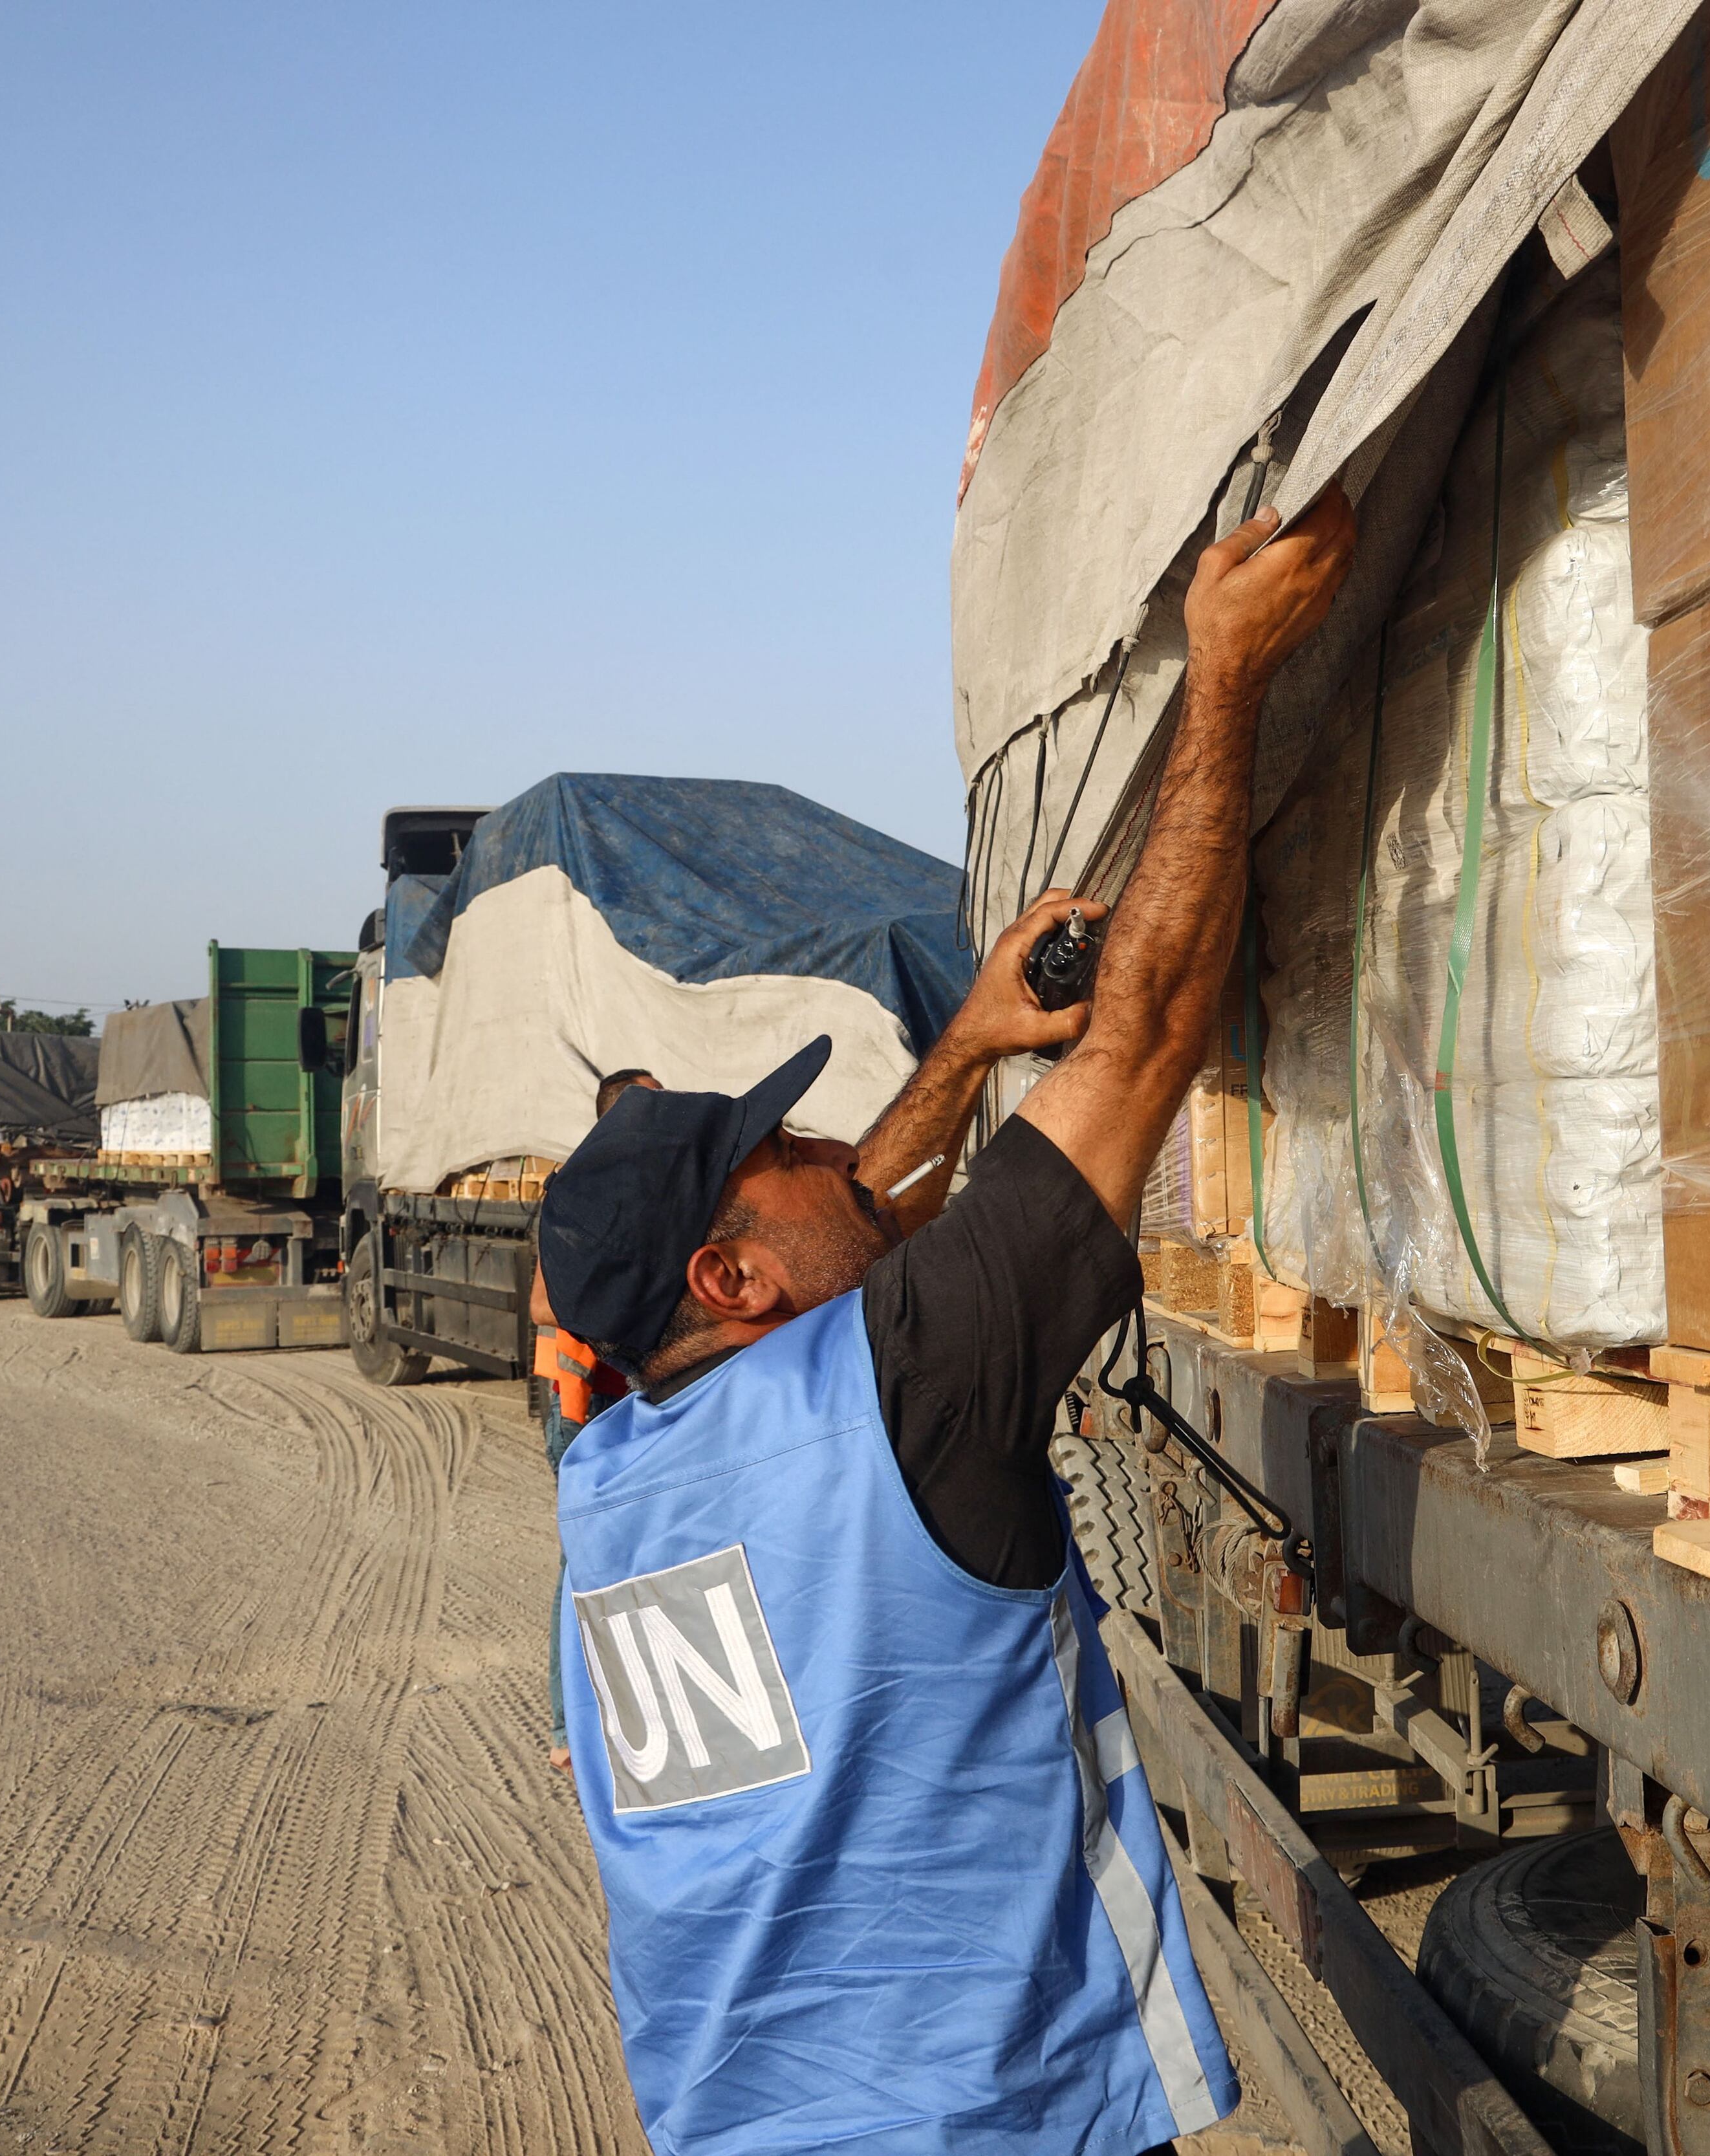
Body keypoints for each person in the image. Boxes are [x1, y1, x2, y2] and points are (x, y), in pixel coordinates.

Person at [536, 488, 1356, 2156]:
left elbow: (854, 1242)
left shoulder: (609, 1484)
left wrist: (973, 1043)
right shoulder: (900, 1393)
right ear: (723, 1281)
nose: (847, 1155)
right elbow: (1139, 1046)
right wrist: (1225, 676)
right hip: (983, 2121)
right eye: (794, 1150)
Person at [533, 1066, 660, 1771]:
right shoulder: (577, 1190)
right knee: (581, 1563)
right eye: (656, 1102)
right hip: (584, 1405)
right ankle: (564, 1730)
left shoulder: (643, 1187)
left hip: (627, 1395)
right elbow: (543, 1305)